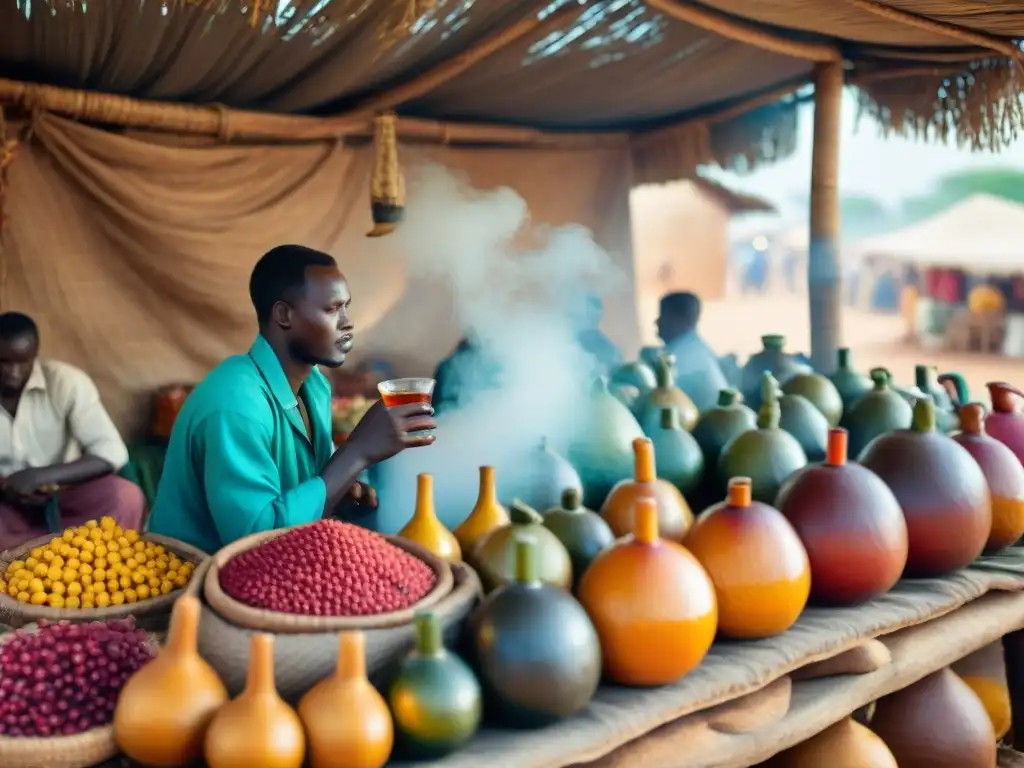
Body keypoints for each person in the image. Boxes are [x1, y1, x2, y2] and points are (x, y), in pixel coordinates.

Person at [147, 245, 436, 554]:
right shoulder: (236, 404)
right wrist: (357, 452)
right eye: (331, 309)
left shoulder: (314, 386)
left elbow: (300, 493)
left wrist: (341, 491)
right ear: (284, 315)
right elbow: (255, 544)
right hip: (200, 576)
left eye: (346, 307)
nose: (347, 322)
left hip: (285, 561)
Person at [0, 312, 144, 550]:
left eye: (23, 362)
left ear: (35, 355)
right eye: (3, 362)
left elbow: (111, 451)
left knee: (126, 497)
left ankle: (84, 559)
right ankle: (46, 559)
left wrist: (42, 477)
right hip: (5, 503)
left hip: (65, 491)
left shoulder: (66, 382)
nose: (14, 373)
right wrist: (9, 487)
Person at [656, 292, 728, 413]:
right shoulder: (698, 348)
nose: (657, 322)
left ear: (677, 319)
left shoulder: (677, 357)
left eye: (662, 316)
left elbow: (659, 402)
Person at [573, 294, 622, 375]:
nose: (590, 315)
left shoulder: (610, 350)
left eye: (594, 311)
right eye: (588, 311)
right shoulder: (567, 344)